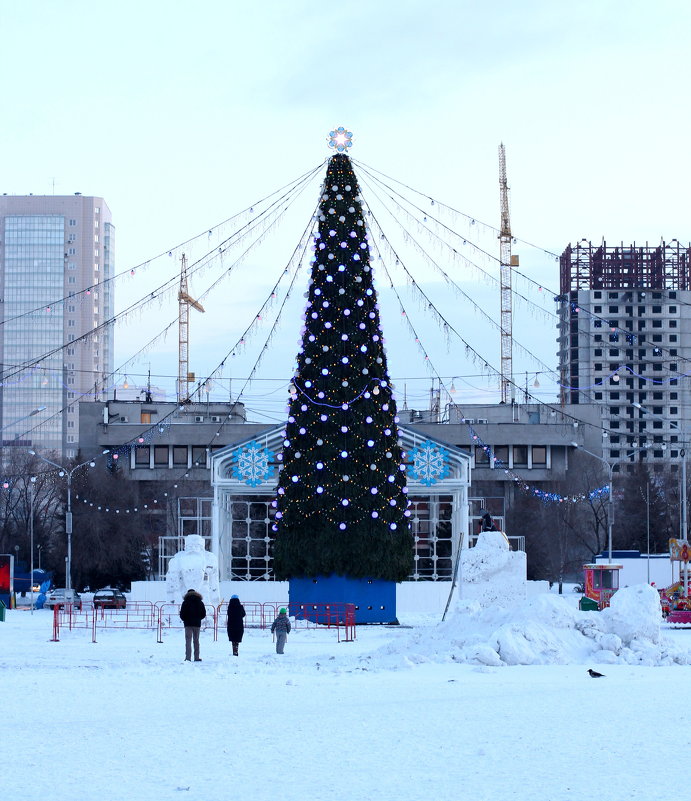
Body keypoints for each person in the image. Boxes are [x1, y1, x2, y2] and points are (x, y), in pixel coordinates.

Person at [179, 588, 206, 662]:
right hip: (197, 624)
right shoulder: (200, 602)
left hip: (188, 624)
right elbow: (203, 613)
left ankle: (188, 658)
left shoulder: (185, 602)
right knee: (196, 640)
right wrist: (198, 618)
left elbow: (182, 614)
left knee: (188, 641)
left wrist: (185, 619)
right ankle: (196, 657)